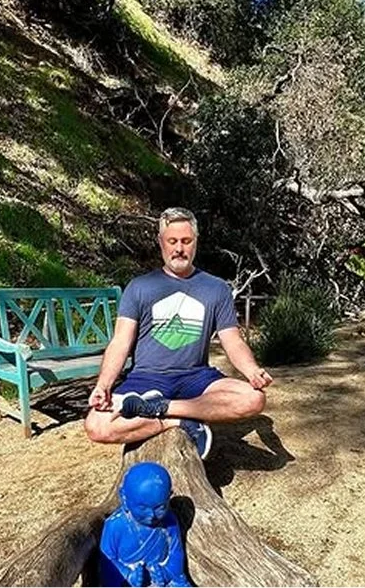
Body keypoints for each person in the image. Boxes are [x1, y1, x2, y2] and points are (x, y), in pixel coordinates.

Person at [85, 207, 273, 459]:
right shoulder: (138, 287)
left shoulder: (216, 288)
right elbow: (120, 342)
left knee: (254, 400)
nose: (179, 249)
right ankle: (180, 421)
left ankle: (162, 408)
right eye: (172, 241)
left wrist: (251, 370)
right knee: (96, 426)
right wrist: (103, 385)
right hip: (146, 378)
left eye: (186, 241)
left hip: (196, 378)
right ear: (161, 242)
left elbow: (233, 341)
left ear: (196, 243)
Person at [98, 462, 190, 587]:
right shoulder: (115, 525)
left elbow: (176, 553)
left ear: (169, 497)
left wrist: (166, 572)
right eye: (142, 508)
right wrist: (129, 576)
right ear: (124, 499)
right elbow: (107, 561)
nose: (152, 515)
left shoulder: (169, 521)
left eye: (160, 507)